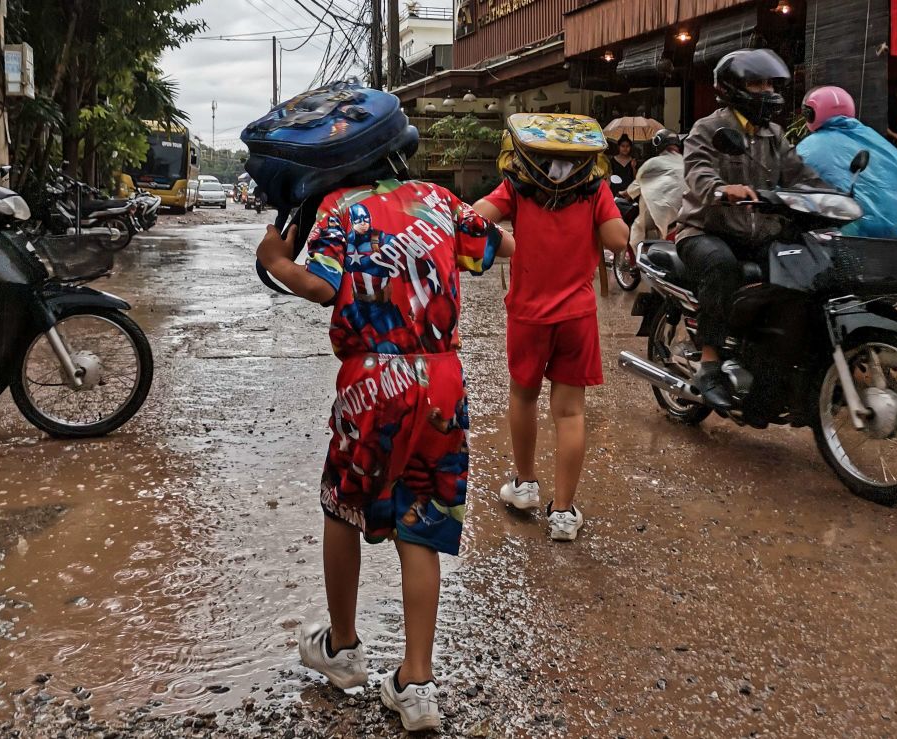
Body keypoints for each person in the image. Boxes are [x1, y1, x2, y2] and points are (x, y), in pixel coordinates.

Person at [253, 82, 514, 733]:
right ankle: (416, 682)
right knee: (421, 518)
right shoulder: (438, 199)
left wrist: (276, 260)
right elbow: (499, 247)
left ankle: (343, 648)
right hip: (443, 379)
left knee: (343, 504)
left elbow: (321, 286)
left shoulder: (339, 207)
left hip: (375, 381)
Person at [474, 113, 628, 542]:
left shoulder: (518, 186)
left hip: (528, 315)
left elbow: (476, 217)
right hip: (577, 316)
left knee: (523, 397)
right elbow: (618, 239)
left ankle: (524, 486)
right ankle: (562, 513)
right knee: (571, 411)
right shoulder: (593, 188)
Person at [675, 49, 828, 411]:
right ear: (732, 88)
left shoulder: (774, 134)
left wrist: (830, 197)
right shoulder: (708, 128)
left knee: (801, 270)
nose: (767, 91)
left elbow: (801, 176)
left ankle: (770, 367)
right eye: (757, 84)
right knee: (721, 265)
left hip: (759, 234)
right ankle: (709, 362)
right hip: (706, 229)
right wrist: (720, 189)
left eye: (770, 84)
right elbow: (697, 170)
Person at [798, 86, 897, 238]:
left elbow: (791, 180)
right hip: (893, 230)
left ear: (811, 114)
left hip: (848, 233)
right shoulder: (874, 138)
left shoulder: (810, 146)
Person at [624, 128, 685, 246]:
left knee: (637, 227)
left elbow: (632, 190)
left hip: (661, 217)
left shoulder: (653, 163)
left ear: (658, 143)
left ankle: (639, 255)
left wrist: (622, 194)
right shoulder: (687, 162)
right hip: (683, 216)